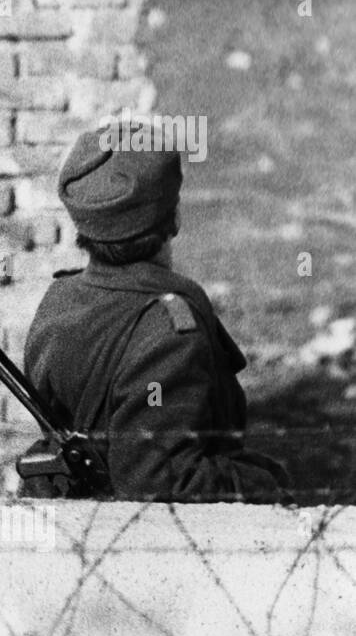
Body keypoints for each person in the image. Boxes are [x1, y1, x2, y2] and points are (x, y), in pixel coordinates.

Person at [23, 127, 287, 502]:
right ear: (174, 218)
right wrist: (266, 484)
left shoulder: (61, 299)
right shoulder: (169, 333)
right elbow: (158, 480)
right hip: (149, 543)